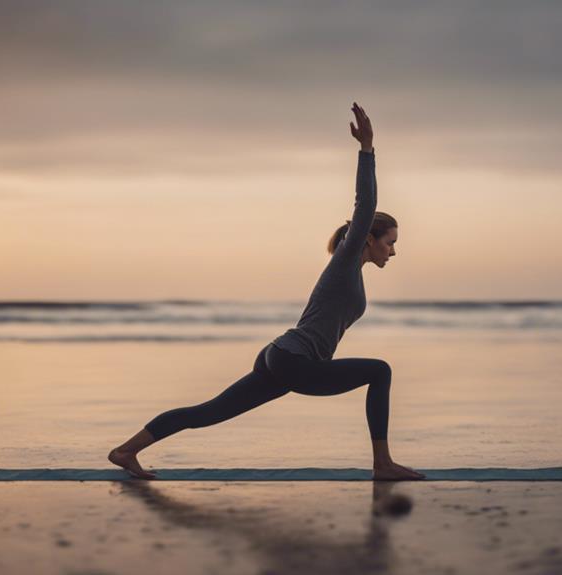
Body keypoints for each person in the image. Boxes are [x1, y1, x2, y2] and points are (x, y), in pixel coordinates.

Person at [108, 103, 425, 481]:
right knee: (380, 371)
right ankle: (383, 464)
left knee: (209, 412)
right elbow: (366, 205)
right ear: (368, 239)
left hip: (283, 357)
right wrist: (367, 150)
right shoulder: (345, 261)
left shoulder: (351, 272)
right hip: (295, 360)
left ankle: (126, 451)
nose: (394, 250)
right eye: (390, 242)